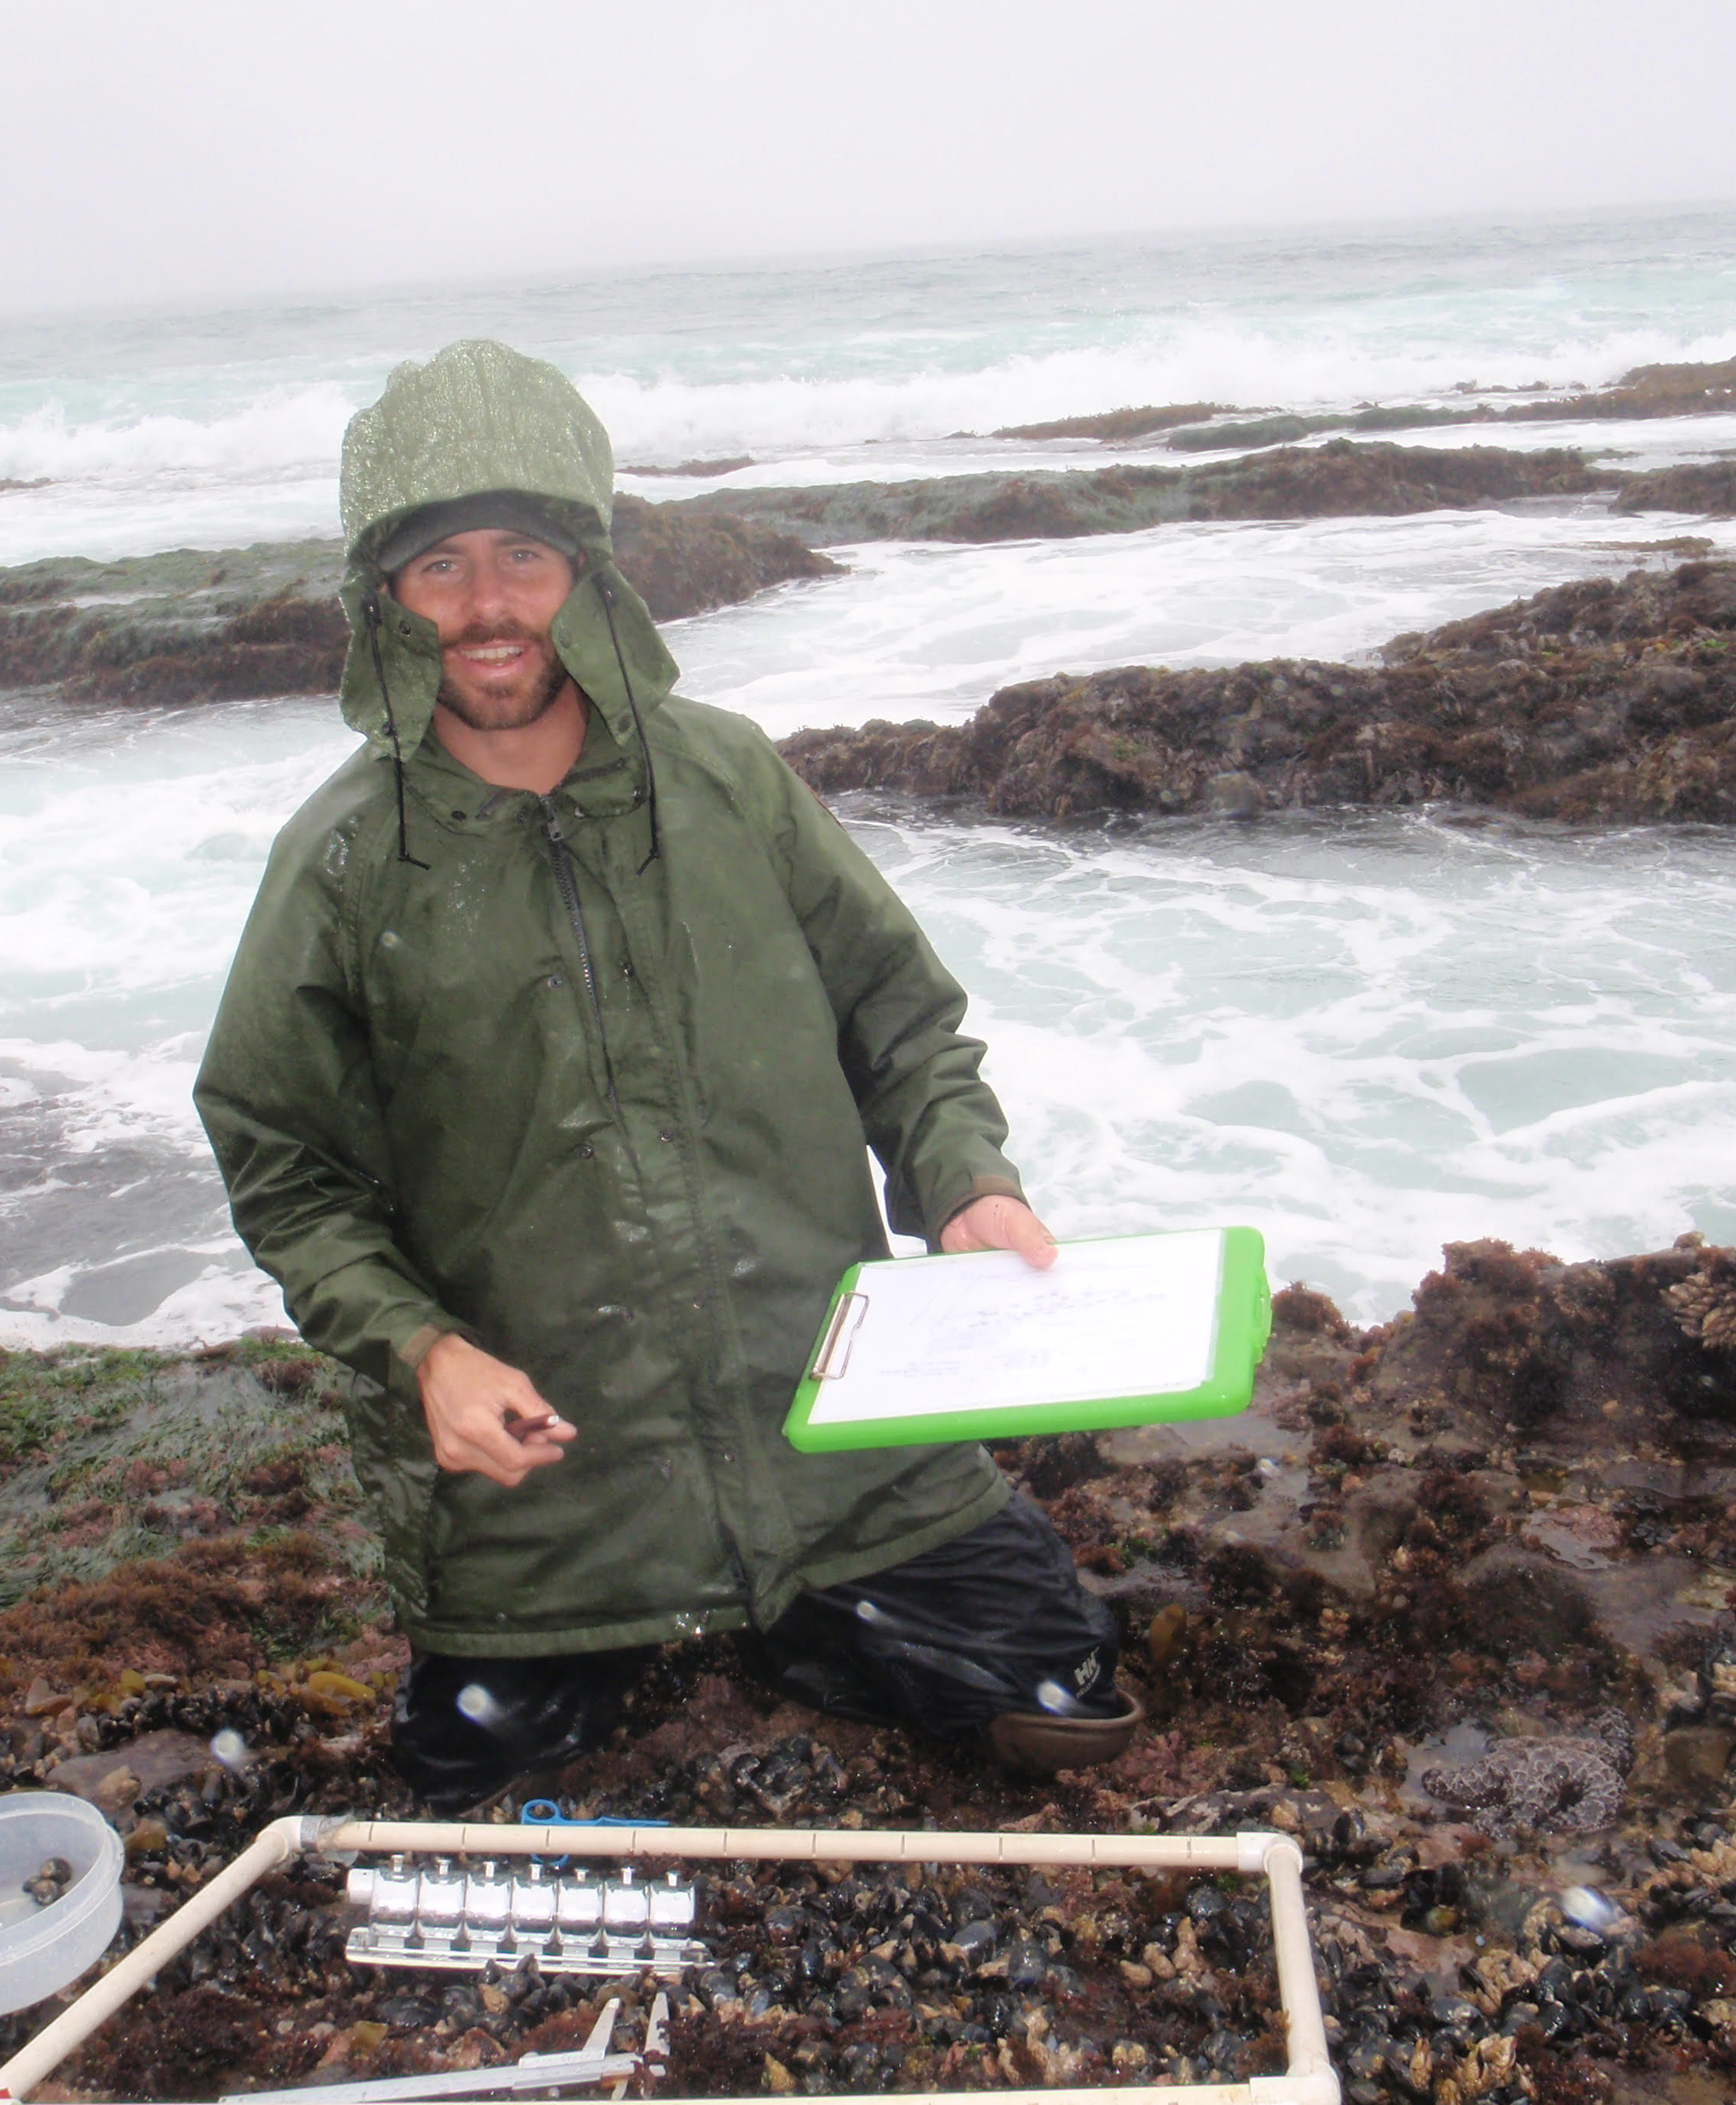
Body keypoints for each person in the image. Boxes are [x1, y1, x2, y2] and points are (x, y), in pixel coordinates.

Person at [195, 339, 1139, 1811]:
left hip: (834, 1428)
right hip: (553, 1488)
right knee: (473, 1777)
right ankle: (703, 1622)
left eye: (525, 554)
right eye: (441, 567)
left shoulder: (729, 780)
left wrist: (965, 1183)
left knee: (1056, 1695)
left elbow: (899, 1018)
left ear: (591, 573)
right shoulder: (339, 863)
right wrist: (421, 1351)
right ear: (382, 598)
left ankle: (800, 1612)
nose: (490, 605)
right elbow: (280, 1157)